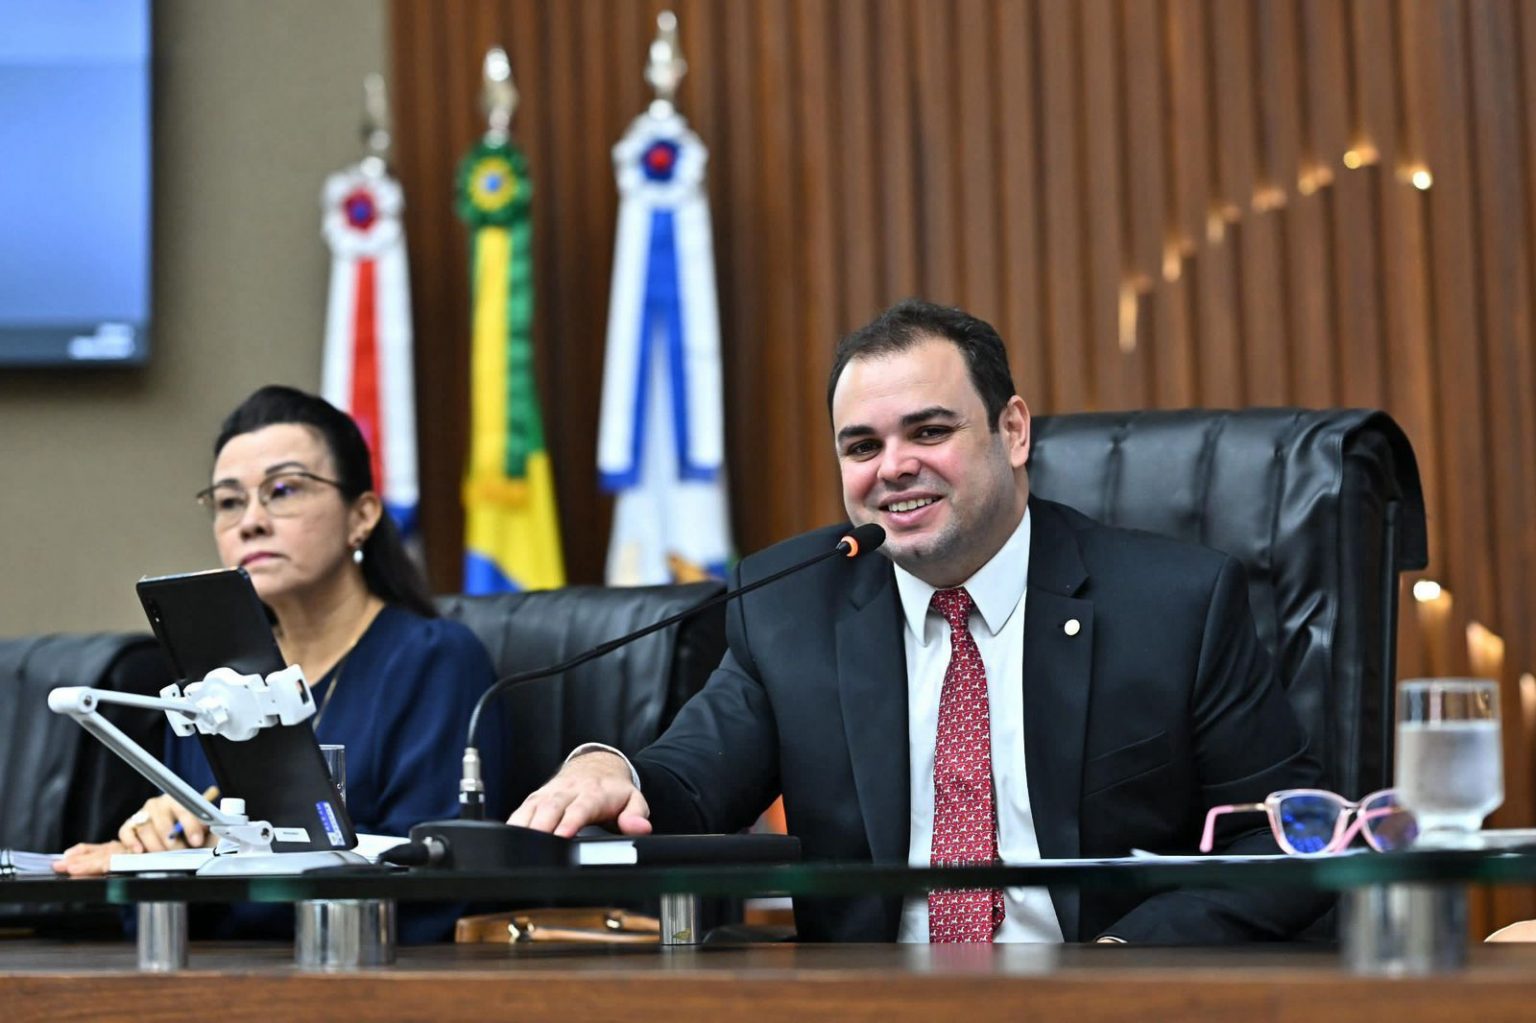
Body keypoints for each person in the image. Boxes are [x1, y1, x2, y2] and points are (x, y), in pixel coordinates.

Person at [510, 299, 1331, 944]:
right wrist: (609, 767)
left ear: (1012, 431)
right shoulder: (792, 603)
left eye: (929, 431)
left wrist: (1114, 964)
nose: (893, 466)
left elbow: (1284, 846)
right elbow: (691, 783)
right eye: (860, 445)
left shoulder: (1175, 603)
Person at [56, 385, 504, 942]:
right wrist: (155, 853)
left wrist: (218, 864)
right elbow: (168, 912)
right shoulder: (207, 685)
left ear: (361, 516)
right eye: (228, 501)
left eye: (284, 490)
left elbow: (430, 883)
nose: (251, 522)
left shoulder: (435, 660)